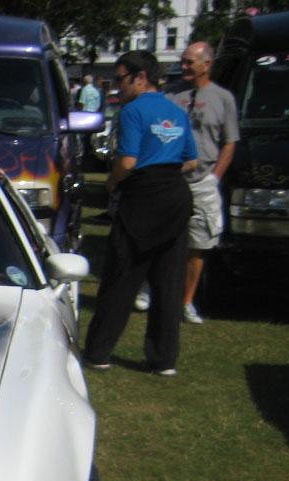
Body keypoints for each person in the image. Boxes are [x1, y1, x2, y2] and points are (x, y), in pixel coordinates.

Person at [83, 50, 197, 377]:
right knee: (168, 281)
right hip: (175, 194)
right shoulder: (176, 111)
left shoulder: (132, 111)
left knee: (122, 276)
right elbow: (191, 160)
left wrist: (112, 180)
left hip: (143, 196)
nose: (116, 87)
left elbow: (128, 162)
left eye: (119, 80)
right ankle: (163, 359)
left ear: (140, 77)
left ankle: (99, 352)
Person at [172, 41, 239, 324]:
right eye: (183, 61)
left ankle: (186, 301)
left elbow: (229, 142)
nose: (184, 66)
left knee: (198, 243)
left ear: (206, 64)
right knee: (160, 237)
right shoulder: (172, 95)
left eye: (190, 62)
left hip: (203, 182)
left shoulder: (223, 98)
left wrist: (215, 178)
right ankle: (151, 288)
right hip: (170, 180)